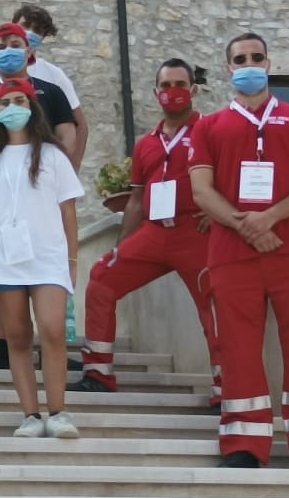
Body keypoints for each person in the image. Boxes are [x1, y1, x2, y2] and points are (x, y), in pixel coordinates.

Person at [188, 33, 289, 471]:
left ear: (269, 63)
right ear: (228, 70)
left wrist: (270, 218)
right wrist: (248, 225)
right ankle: (243, 444)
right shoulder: (208, 126)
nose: (249, 64)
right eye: (240, 59)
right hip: (232, 254)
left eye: (257, 57)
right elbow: (202, 191)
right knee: (235, 347)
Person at [76, 60, 221, 403]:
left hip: (195, 233)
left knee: (216, 306)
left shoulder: (212, 130)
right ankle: (98, 372)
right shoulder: (147, 144)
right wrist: (121, 247)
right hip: (155, 232)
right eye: (166, 85)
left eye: (180, 84)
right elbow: (137, 200)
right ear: (156, 93)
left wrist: (220, 213)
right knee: (101, 279)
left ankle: (227, 389)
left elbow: (230, 176)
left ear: (194, 90)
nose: (173, 92)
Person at [0, 79, 84, 438]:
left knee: (52, 329)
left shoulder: (52, 155)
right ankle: (31, 414)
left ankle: (58, 411)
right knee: (16, 336)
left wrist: (72, 260)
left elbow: (69, 211)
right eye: (6, 103)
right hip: (5, 258)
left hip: (47, 255)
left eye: (20, 101)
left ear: (32, 107)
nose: (13, 108)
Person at [0, 22, 78, 370]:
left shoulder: (51, 92)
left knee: (49, 275)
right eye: (1, 44)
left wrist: (46, 167)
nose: (8, 50)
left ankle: (54, 349)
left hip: (40, 190)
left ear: (29, 49)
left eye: (15, 43)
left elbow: (67, 135)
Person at [0, 4, 87, 168]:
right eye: (26, 26)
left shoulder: (54, 75)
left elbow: (79, 124)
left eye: (38, 30)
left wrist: (71, 168)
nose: (31, 32)